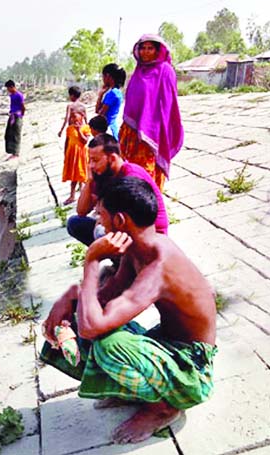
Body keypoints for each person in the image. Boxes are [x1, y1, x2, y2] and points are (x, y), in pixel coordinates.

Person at [41, 176, 217, 444]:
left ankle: (164, 408)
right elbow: (102, 299)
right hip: (167, 344)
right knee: (78, 321)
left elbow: (93, 327)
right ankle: (136, 390)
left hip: (191, 367)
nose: (98, 223)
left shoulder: (158, 266)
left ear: (120, 221)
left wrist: (91, 261)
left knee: (108, 344)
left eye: (101, 216)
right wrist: (69, 298)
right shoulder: (137, 251)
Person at [67, 129, 169, 246]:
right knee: (75, 223)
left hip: (150, 234)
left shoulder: (131, 175)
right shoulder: (103, 173)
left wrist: (103, 222)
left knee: (101, 233)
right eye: (90, 160)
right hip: (122, 226)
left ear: (112, 158)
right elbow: (81, 211)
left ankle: (126, 261)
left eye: (95, 160)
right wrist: (89, 181)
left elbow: (129, 221)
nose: (91, 165)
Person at [119, 34, 184, 191]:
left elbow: (169, 104)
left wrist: (154, 128)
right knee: (128, 172)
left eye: (150, 48)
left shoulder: (166, 71)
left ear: (157, 51)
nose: (146, 52)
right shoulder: (138, 72)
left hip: (153, 132)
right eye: (143, 48)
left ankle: (151, 208)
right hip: (131, 131)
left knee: (146, 176)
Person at [60, 87, 91, 204]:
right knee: (79, 169)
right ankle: (79, 190)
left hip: (78, 146)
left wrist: (61, 130)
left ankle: (73, 195)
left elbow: (66, 119)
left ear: (72, 95)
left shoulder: (70, 106)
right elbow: (87, 120)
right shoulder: (83, 107)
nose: (73, 119)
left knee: (77, 170)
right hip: (74, 142)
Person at [96, 64, 126, 140]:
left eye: (103, 76)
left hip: (108, 129)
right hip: (113, 128)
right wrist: (101, 94)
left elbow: (100, 113)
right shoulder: (117, 92)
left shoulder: (112, 93)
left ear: (108, 76)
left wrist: (100, 95)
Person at [4, 80, 25, 160]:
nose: (7, 90)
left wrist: (21, 115)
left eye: (8, 88)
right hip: (12, 115)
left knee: (16, 135)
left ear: (12, 87)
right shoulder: (11, 95)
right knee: (9, 134)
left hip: (17, 116)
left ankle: (16, 153)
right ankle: (11, 151)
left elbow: (23, 106)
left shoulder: (19, 95)